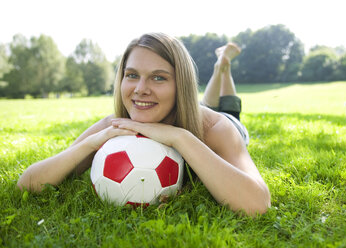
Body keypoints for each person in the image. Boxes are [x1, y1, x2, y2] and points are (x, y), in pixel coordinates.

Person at [17, 33, 271, 216]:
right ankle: (220, 66)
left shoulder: (215, 129)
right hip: (191, 110)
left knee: (227, 107)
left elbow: (256, 205)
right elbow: (28, 184)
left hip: (222, 121)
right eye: (132, 75)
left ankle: (222, 66)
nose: (140, 89)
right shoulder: (112, 126)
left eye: (158, 78)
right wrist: (91, 144)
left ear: (180, 85)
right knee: (208, 102)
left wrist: (180, 137)